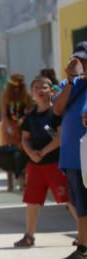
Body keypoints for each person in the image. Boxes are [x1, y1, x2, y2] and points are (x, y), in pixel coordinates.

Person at [14, 76, 77, 247]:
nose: (40, 90)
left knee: (68, 198)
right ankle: (29, 236)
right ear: (32, 93)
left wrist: (42, 152)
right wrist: (31, 153)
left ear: (51, 90)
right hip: (35, 166)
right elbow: (24, 138)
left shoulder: (57, 113)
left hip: (55, 163)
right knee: (32, 201)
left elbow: (60, 138)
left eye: (44, 87)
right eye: (36, 87)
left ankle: (83, 234)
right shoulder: (30, 116)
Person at [53, 41, 87, 259]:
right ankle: (83, 247)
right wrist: (71, 80)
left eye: (83, 59)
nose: (79, 63)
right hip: (74, 157)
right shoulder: (70, 84)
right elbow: (56, 109)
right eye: (76, 59)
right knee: (80, 203)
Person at [0, 73, 32, 190]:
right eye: (14, 87)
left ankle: (23, 181)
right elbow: (4, 115)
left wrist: (23, 125)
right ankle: (9, 183)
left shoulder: (26, 96)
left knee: (23, 153)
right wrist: (9, 128)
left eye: (19, 87)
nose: (17, 89)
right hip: (9, 128)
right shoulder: (5, 97)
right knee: (9, 154)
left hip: (23, 127)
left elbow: (29, 112)